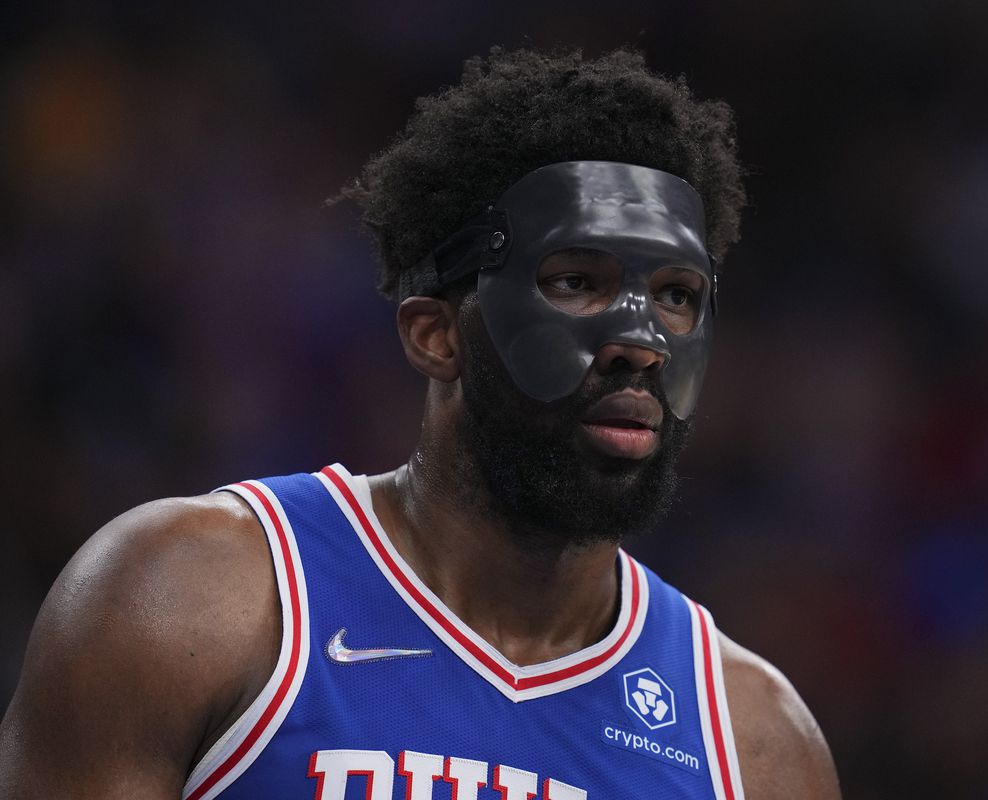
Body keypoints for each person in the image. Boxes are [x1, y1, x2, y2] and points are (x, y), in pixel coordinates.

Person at [0, 48, 840, 800]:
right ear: (435, 335)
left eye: (677, 295)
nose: (641, 341)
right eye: (577, 281)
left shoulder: (755, 746)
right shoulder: (187, 596)